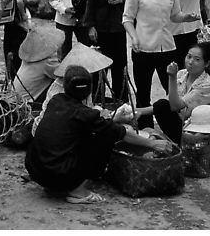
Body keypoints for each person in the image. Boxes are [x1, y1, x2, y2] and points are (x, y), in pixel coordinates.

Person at [25, 65, 172, 204]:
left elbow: (84, 121)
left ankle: (55, 185)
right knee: (105, 137)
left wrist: (115, 118)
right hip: (59, 175)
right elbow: (121, 133)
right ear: (89, 90)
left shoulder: (56, 101)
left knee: (83, 135)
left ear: (65, 87)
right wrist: (152, 143)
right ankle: (77, 192)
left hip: (36, 170)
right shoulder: (85, 114)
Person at [122, 0, 201, 130]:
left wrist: (187, 17)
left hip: (167, 48)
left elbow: (175, 16)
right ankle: (145, 130)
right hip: (142, 49)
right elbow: (127, 19)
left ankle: (173, 128)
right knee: (143, 93)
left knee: (172, 92)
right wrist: (133, 37)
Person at [119, 42, 210, 168]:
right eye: (189, 57)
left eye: (197, 59)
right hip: (181, 126)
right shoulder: (182, 74)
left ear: (207, 64)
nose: (190, 62)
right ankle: (183, 147)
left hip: (199, 131)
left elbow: (175, 106)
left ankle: (205, 153)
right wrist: (137, 111)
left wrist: (171, 77)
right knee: (161, 106)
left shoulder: (207, 84)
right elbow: (167, 103)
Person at [85, 0, 133, 101]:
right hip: (101, 26)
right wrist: (91, 26)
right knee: (99, 65)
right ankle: (98, 97)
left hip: (119, 27)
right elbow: (90, 3)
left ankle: (121, 97)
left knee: (120, 65)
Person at [31, 43, 113, 136]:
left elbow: (86, 109)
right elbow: (75, 116)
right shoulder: (63, 88)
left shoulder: (81, 83)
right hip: (56, 133)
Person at [12, 26, 64, 104]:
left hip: (15, 97)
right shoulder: (47, 62)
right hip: (28, 102)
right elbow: (63, 75)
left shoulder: (29, 58)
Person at [2, 0, 31, 79]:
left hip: (8, 23)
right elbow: (19, 1)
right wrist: (24, 14)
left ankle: (9, 78)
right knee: (18, 54)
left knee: (8, 51)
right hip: (19, 24)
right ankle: (17, 81)